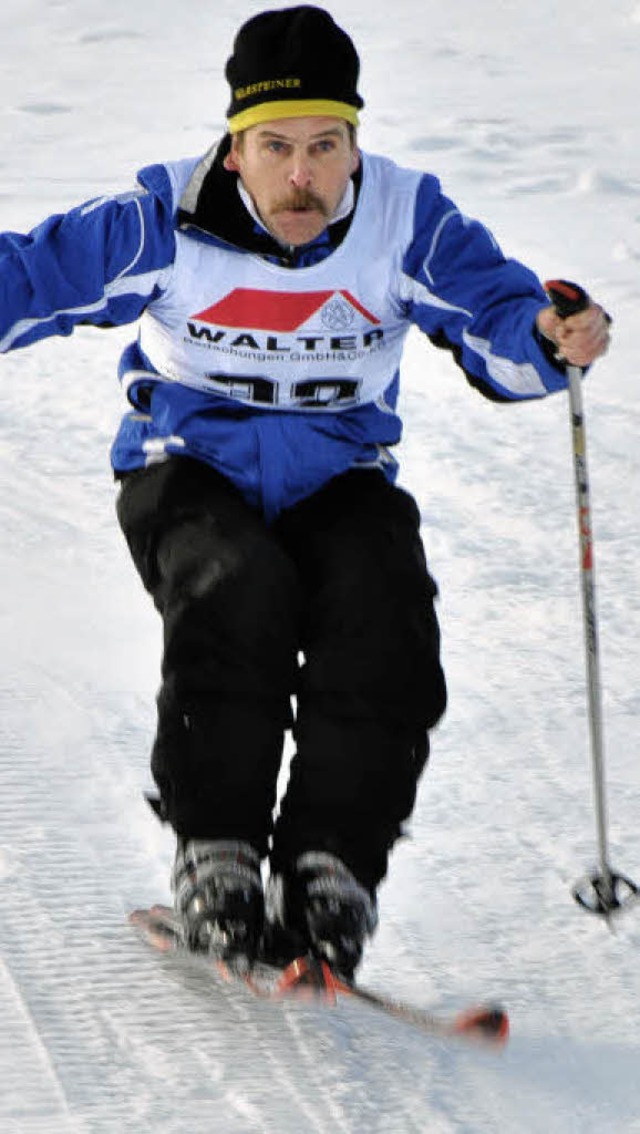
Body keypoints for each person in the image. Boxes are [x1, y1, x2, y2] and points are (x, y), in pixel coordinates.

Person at [0, 5, 610, 978]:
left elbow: (499, 320)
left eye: (325, 146)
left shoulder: (407, 220)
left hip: (339, 472)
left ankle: (331, 870)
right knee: (234, 593)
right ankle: (219, 855)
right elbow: (32, 278)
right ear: (234, 148)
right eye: (275, 145)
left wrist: (548, 337)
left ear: (354, 146)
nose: (301, 174)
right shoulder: (166, 216)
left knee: (382, 615)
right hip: (186, 466)